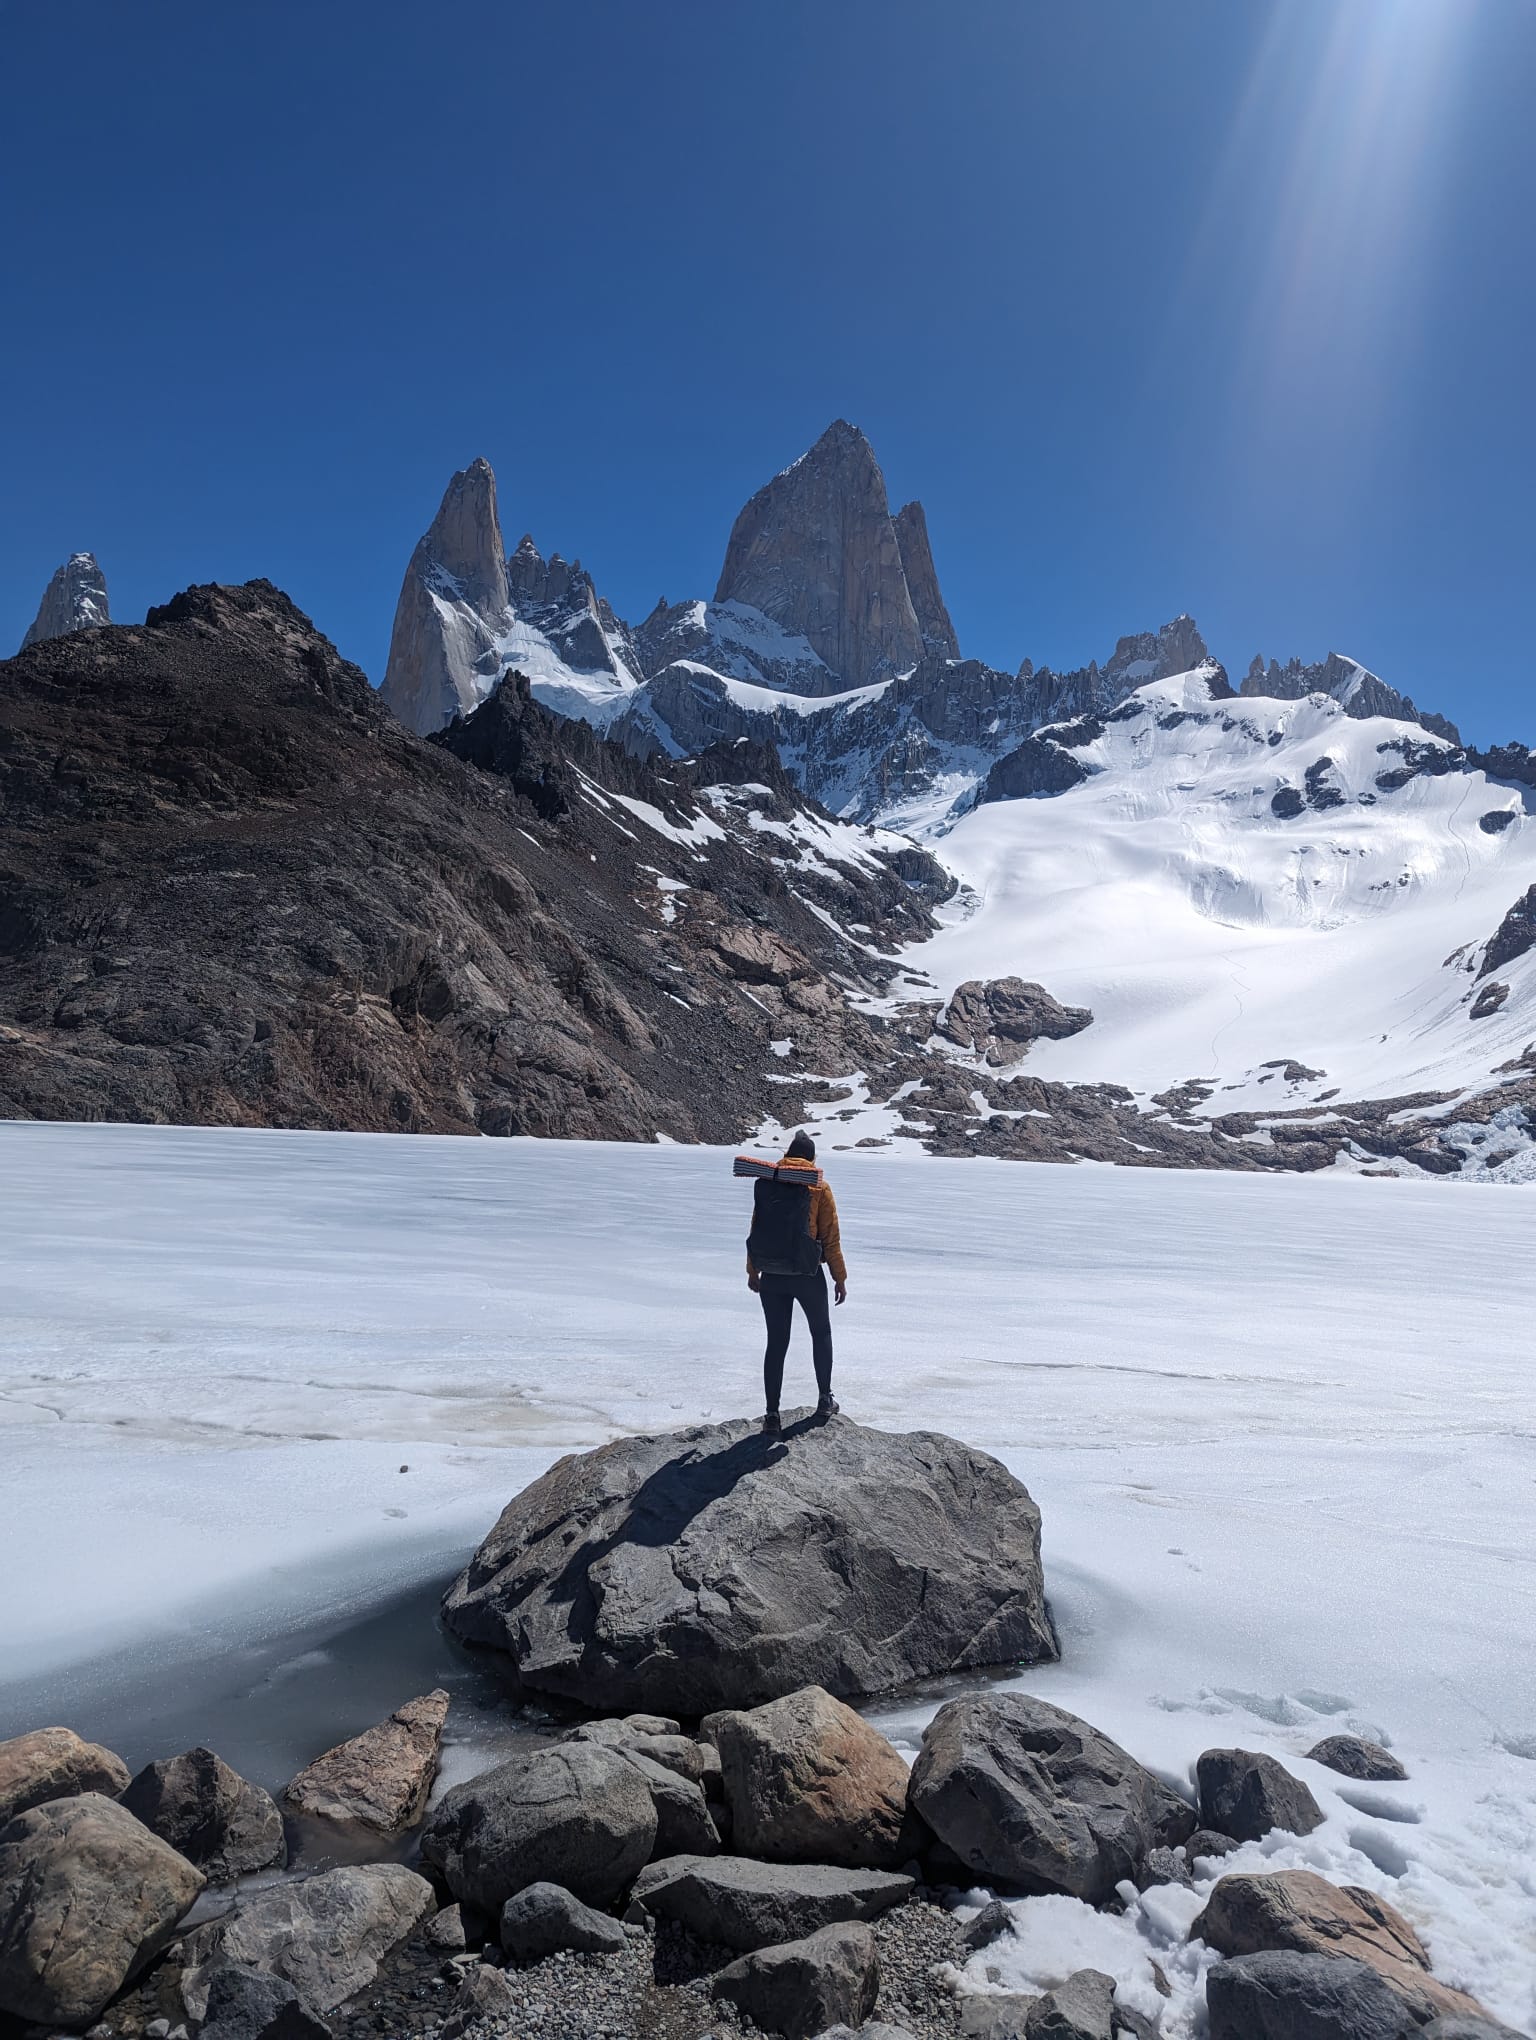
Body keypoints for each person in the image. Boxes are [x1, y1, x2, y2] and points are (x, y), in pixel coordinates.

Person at [745, 1130, 847, 1434]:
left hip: (773, 1276)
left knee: (776, 1343)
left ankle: (772, 1416)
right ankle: (824, 1399)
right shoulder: (819, 1186)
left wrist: (753, 1271)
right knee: (821, 1333)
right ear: (812, 1158)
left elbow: (756, 1229)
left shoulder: (769, 1182)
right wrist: (839, 1278)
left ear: (788, 1154)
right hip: (807, 1274)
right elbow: (831, 1238)